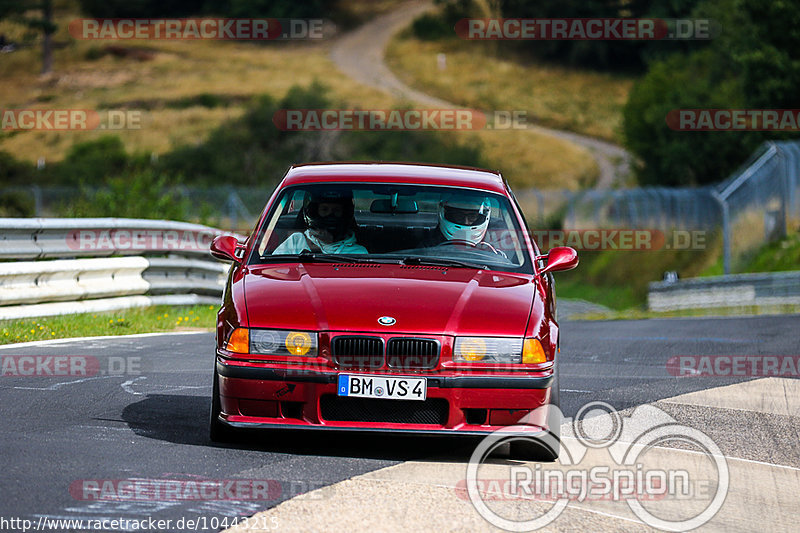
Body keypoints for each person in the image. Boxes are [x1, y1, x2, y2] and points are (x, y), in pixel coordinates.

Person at [273, 190, 368, 254]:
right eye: (325, 210)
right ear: (315, 212)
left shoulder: (359, 253)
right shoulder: (296, 241)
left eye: (336, 210)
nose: (330, 215)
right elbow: (275, 272)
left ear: (344, 213)